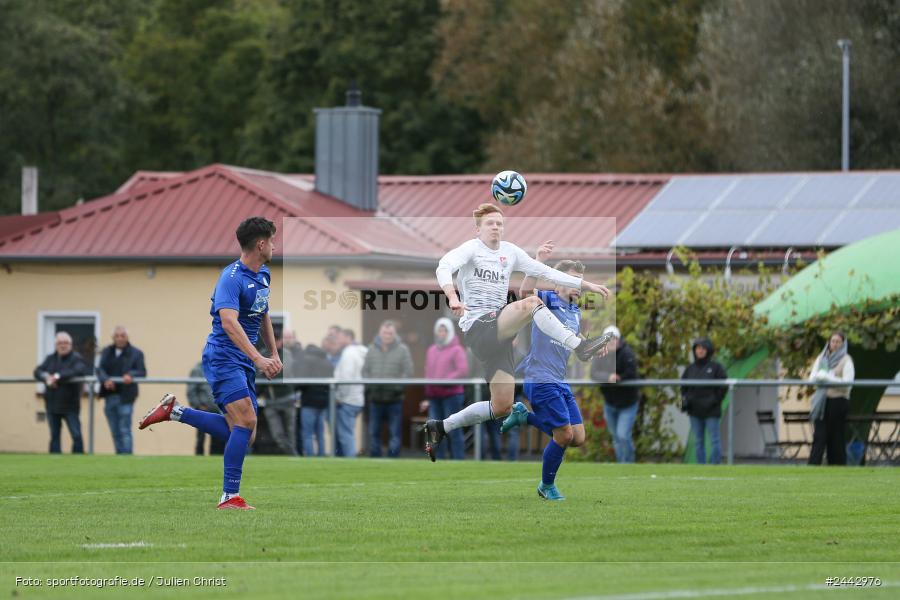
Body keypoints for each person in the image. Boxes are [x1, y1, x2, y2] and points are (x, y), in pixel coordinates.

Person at [424, 204, 613, 461]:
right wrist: (452, 296)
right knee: (533, 303)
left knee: (501, 406)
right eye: (490, 223)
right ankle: (579, 345)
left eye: (500, 223)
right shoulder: (471, 248)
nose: (496, 227)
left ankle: (441, 426)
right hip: (480, 327)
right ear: (477, 228)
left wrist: (585, 284)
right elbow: (443, 266)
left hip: (500, 338)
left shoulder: (510, 252)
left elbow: (546, 272)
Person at [139, 216, 282, 510]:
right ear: (261, 243)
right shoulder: (231, 278)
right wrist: (258, 357)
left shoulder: (263, 274)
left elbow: (263, 313)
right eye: (273, 240)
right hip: (223, 357)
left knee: (245, 433)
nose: (275, 246)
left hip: (242, 360)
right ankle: (229, 497)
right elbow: (229, 322)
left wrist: (274, 353)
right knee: (247, 421)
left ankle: (175, 412)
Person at [501, 257, 596, 500]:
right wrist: (538, 261)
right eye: (572, 279)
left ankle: (525, 416)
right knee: (563, 435)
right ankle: (546, 486)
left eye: (579, 280)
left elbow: (576, 347)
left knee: (578, 437)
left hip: (559, 379)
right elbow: (524, 292)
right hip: (539, 377)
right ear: (557, 283)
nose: (577, 284)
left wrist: (591, 347)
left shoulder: (575, 310)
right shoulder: (547, 298)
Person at [34, 331, 91, 454]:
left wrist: (57, 377)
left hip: (70, 405)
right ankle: (54, 463)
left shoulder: (77, 358)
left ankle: (79, 462)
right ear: (56, 345)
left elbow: (77, 370)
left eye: (66, 343)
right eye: (60, 343)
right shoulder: (50, 358)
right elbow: (38, 371)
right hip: (52, 404)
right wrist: (46, 377)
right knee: (54, 436)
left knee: (76, 435)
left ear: (71, 345)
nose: (63, 345)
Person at [363, 320, 413, 458]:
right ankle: (375, 459)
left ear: (394, 334)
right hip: (375, 398)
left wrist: (397, 387)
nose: (387, 335)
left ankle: (393, 459)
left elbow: (408, 372)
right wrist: (370, 387)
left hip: (395, 399)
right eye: (385, 332)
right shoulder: (371, 348)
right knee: (374, 431)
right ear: (380, 333)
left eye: (390, 333)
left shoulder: (403, 350)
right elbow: (365, 371)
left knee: (395, 432)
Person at [422, 317, 469, 460]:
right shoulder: (431, 350)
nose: (441, 333)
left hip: (452, 395)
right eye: (439, 330)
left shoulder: (457, 349)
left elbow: (463, 370)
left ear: (449, 332)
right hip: (435, 395)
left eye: (444, 330)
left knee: (453, 429)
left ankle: (458, 459)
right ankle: (438, 460)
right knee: (434, 430)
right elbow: (428, 372)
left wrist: (445, 380)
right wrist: (427, 394)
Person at [592, 326, 640, 463]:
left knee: (623, 435)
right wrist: (608, 376)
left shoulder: (627, 353)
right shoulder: (600, 353)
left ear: (619, 340)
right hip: (610, 402)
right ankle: (621, 465)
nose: (611, 341)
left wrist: (619, 378)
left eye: (614, 338)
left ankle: (629, 464)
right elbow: (594, 373)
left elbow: (632, 373)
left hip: (628, 403)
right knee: (616, 437)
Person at [96, 326, 147, 455]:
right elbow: (99, 369)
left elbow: (142, 371)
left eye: (122, 335)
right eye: (117, 336)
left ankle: (127, 457)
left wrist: (131, 374)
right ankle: (120, 457)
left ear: (127, 337)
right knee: (114, 430)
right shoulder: (106, 352)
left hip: (126, 396)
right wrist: (105, 380)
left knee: (125, 429)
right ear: (113, 338)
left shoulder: (136, 353)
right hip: (109, 396)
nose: (120, 338)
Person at [808, 331, 854, 466]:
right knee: (819, 436)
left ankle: (838, 466)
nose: (834, 344)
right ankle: (813, 466)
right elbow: (812, 378)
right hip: (822, 402)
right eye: (833, 341)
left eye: (838, 342)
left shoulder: (846, 360)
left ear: (843, 344)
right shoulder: (822, 358)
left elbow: (848, 383)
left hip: (838, 402)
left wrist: (829, 377)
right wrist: (820, 378)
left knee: (836, 437)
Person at [681, 338, 728, 465]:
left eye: (702, 348)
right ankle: (700, 467)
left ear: (708, 350)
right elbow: (683, 387)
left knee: (714, 440)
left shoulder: (716, 367)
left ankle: (714, 465)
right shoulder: (690, 369)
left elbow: (723, 386)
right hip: (695, 411)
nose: (700, 351)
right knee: (698, 441)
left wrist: (715, 400)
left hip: (711, 410)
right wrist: (685, 400)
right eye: (697, 348)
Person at [263, 329, 302, 456]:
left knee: (291, 432)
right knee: (277, 435)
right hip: (270, 401)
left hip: (287, 398)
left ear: (279, 341)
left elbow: (287, 373)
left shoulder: (287, 354)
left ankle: (294, 458)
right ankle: (293, 456)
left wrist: (269, 372)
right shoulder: (262, 354)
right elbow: (259, 375)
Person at [333, 328, 367, 457]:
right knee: (348, 432)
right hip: (357, 398)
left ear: (348, 337)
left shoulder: (349, 353)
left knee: (346, 434)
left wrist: (340, 397)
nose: (338, 340)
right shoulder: (361, 352)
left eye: (340, 336)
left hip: (348, 400)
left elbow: (345, 378)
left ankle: (350, 460)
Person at [297, 343, 334, 457]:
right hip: (323, 403)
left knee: (308, 433)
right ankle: (321, 455)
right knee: (320, 433)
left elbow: (302, 383)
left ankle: (310, 456)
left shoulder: (306, 361)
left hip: (309, 401)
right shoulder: (327, 362)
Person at [187, 360, 224, 456]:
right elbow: (191, 391)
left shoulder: (221, 368)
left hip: (218, 409)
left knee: (217, 436)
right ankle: (199, 457)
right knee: (201, 437)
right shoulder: (197, 370)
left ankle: (215, 458)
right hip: (203, 409)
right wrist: (198, 405)